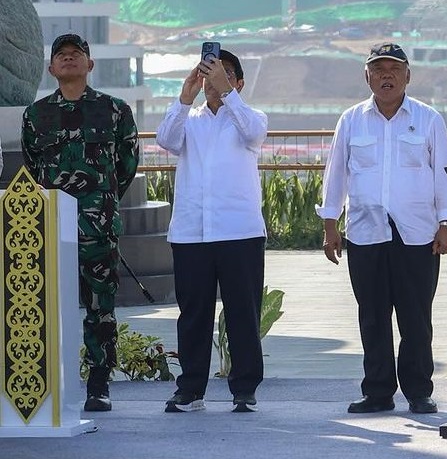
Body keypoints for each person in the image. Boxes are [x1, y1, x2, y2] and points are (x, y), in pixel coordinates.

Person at [317, 43, 447, 415]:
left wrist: (446, 223)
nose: (386, 76)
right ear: (367, 76)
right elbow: (336, 174)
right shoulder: (351, 120)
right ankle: (378, 391)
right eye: (378, 69)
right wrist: (330, 223)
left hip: (418, 233)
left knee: (416, 316)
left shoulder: (428, 119)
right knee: (372, 314)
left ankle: (418, 390)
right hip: (365, 232)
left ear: (408, 76)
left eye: (394, 69)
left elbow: (445, 175)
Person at [21, 33, 139, 413]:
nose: (69, 59)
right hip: (50, 227)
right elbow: (33, 168)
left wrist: (99, 204)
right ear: (51, 68)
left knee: (100, 306)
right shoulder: (35, 115)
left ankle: (99, 382)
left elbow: (126, 165)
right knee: (47, 304)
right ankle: (51, 380)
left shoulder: (115, 110)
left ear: (90, 65)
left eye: (77, 54)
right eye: (62, 55)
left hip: (97, 228)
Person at [155, 48, 268, 413]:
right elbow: (166, 140)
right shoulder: (190, 119)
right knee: (193, 314)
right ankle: (190, 390)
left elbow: (252, 131)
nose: (213, 81)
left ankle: (245, 388)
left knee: (242, 314)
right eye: (208, 73)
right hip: (192, 232)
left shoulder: (250, 117)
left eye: (222, 74)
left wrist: (228, 93)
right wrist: (185, 95)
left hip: (239, 231)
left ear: (238, 82)